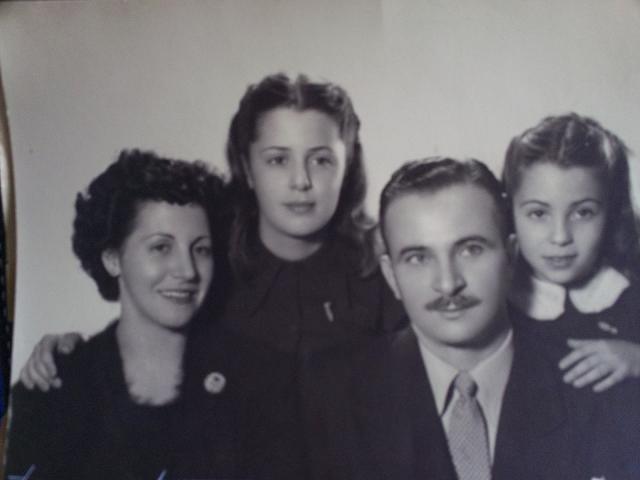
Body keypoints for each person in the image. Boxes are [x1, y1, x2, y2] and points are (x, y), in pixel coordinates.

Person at [19, 73, 405, 390]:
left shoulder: (385, 268)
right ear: (247, 168)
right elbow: (143, 346)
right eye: (277, 160)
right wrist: (68, 354)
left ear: (347, 167)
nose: (300, 181)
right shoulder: (205, 263)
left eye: (321, 160)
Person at [301, 157, 640, 480]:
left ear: (511, 257)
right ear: (391, 276)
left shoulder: (599, 390)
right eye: (418, 257)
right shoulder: (332, 398)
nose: (448, 283)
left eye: (470, 250)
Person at [5, 150, 300, 479]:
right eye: (161, 247)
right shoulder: (55, 388)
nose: (187, 270)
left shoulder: (259, 381)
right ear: (112, 259)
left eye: (201, 249)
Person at [503, 113, 640, 392]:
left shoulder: (630, 296)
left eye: (583, 213)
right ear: (510, 212)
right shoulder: (498, 305)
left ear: (612, 213)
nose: (560, 237)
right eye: (538, 213)